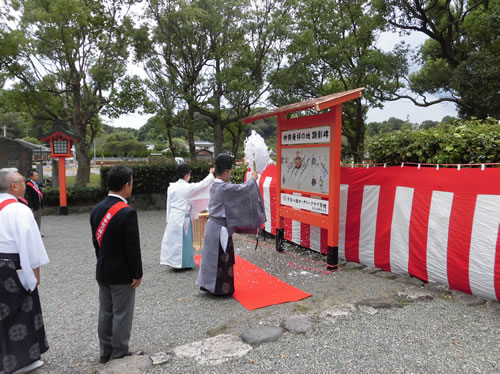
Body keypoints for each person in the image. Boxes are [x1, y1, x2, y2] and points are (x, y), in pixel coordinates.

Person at [89, 165, 143, 364]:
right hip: (122, 274)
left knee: (106, 311)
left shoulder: (96, 209)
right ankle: (119, 352)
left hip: (103, 269)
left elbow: (97, 243)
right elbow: (132, 247)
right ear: (126, 186)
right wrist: (137, 273)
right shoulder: (127, 212)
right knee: (122, 313)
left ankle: (105, 351)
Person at [0, 168, 49, 374]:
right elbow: (31, 245)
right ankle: (22, 361)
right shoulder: (19, 210)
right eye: (21, 181)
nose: (24, 184)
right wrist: (34, 274)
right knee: (20, 311)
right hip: (12, 267)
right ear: (13, 186)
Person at [195, 154, 265, 296]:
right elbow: (243, 189)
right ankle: (220, 289)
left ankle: (208, 286)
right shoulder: (224, 188)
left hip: (213, 226)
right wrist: (253, 179)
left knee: (211, 259)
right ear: (226, 172)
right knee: (221, 259)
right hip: (220, 228)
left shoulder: (215, 185)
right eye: (230, 172)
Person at [160, 164, 215, 269]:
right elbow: (202, 185)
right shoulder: (187, 187)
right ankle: (185, 263)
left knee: (173, 241)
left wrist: (168, 218)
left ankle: (173, 263)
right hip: (183, 216)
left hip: (173, 216)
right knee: (184, 240)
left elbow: (169, 203)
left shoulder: (171, 187)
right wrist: (210, 174)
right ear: (187, 175)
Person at [24, 170, 43, 234]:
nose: (38, 177)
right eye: (36, 175)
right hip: (33, 206)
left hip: (39, 204)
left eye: (38, 175)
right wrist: (30, 206)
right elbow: (28, 197)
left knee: (38, 220)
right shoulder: (28, 185)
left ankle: (38, 233)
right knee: (33, 220)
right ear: (31, 177)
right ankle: (32, 233)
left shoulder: (38, 184)